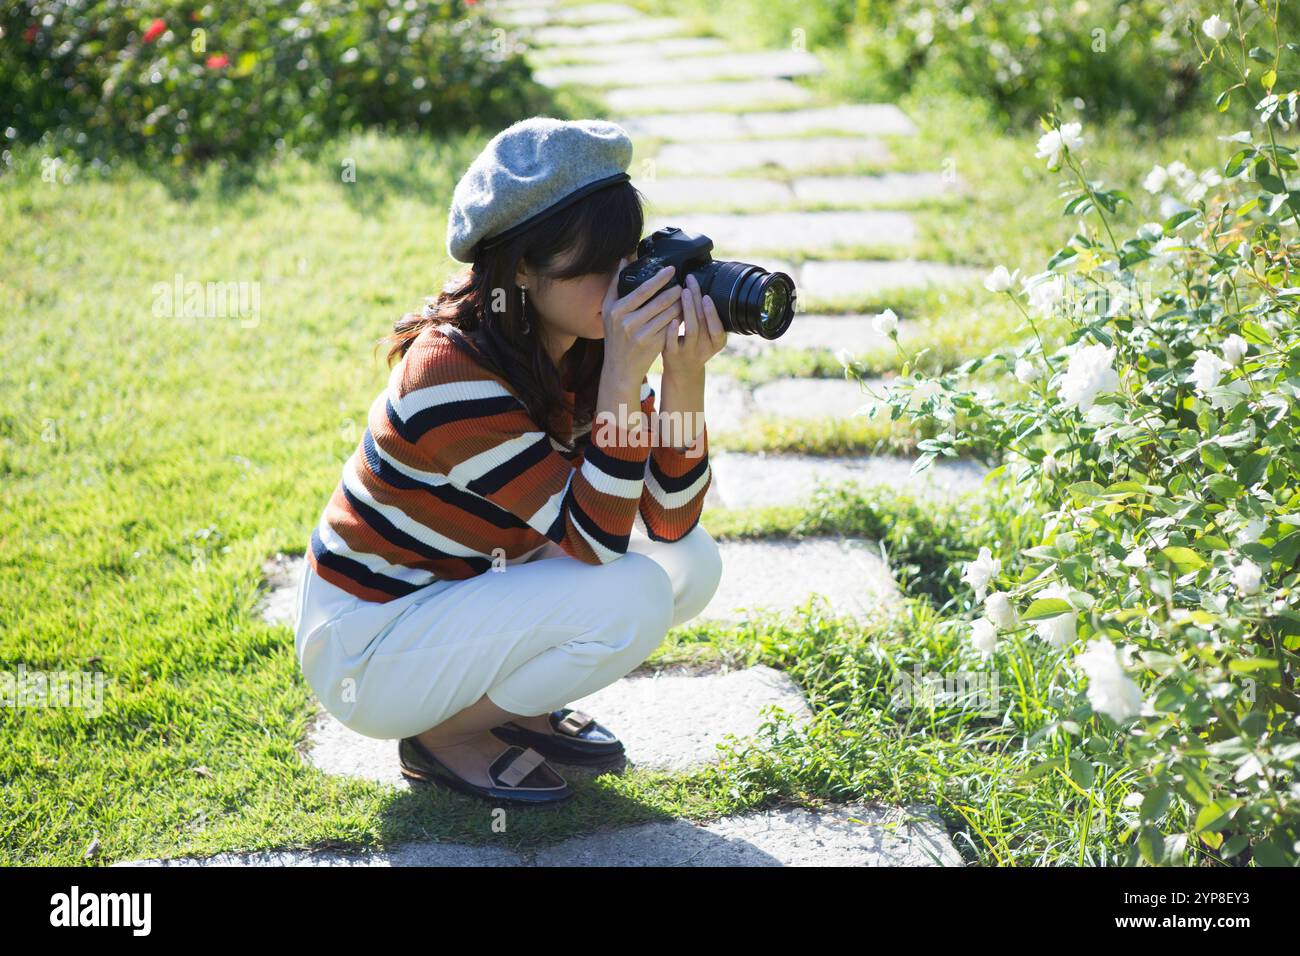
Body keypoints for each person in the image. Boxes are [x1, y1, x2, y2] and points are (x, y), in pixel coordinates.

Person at [293, 117, 725, 805]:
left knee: (691, 564)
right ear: (522, 265)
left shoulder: (578, 346)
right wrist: (622, 378)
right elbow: (595, 542)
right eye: (595, 267)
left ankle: (519, 710)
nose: (622, 286)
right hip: (371, 638)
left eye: (627, 259)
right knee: (632, 593)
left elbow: (670, 522)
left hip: (469, 591)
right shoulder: (448, 373)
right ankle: (448, 734)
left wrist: (685, 375)